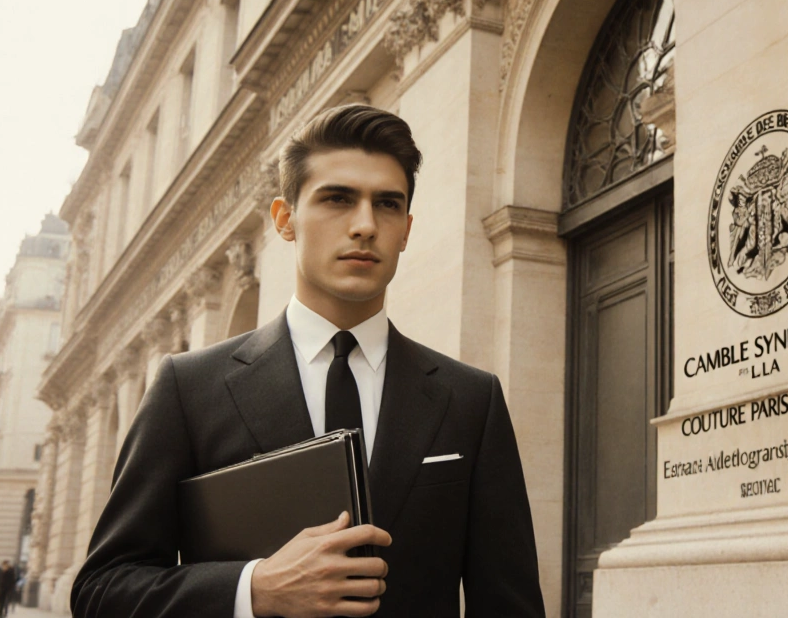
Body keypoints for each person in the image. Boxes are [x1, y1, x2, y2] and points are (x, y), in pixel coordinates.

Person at [72, 105, 544, 618]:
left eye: (387, 204)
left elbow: (510, 604)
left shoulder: (471, 399)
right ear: (284, 219)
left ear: (406, 230)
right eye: (337, 199)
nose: (365, 225)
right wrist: (253, 589)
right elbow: (103, 589)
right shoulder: (189, 388)